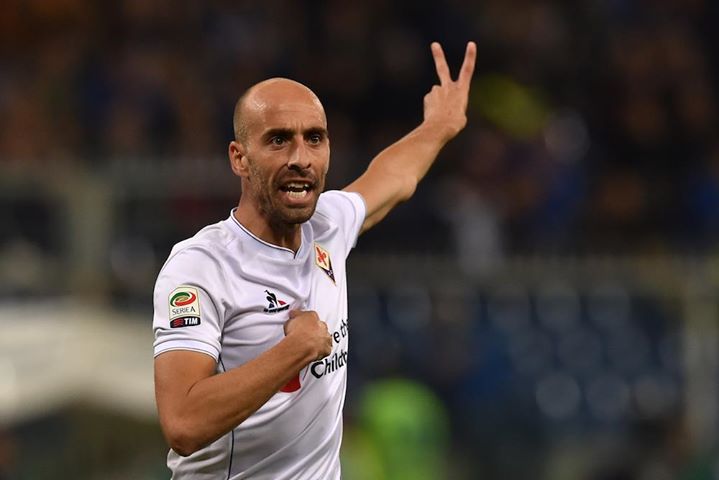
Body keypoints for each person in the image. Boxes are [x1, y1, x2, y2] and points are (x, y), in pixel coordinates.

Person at [152, 41, 476, 479]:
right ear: (239, 158)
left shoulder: (326, 226)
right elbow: (184, 424)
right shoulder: (201, 267)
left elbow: (394, 177)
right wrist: (294, 351)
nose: (300, 158)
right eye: (278, 140)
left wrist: (439, 126)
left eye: (314, 139)